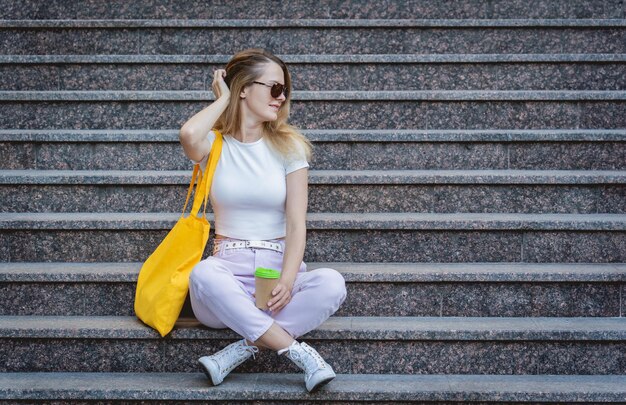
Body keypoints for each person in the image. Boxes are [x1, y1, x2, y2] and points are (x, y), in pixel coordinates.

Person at [178, 48, 347, 393]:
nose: (281, 97)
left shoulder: (290, 147)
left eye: (285, 90)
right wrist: (222, 99)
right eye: (273, 88)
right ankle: (297, 352)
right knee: (202, 272)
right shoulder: (214, 145)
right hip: (226, 275)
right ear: (243, 88)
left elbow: (297, 223)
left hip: (275, 277)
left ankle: (238, 352)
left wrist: (288, 277)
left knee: (332, 283)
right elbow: (188, 135)